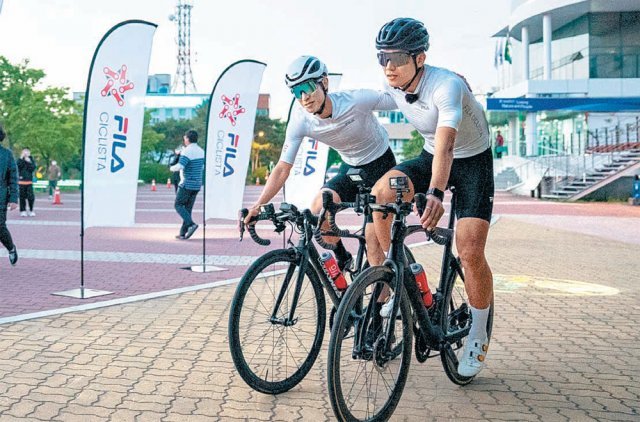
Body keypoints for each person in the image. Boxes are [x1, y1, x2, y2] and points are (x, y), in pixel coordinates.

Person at [371, 18, 494, 377]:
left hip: (471, 161)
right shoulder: (392, 85)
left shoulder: (446, 85)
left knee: (469, 250)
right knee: (381, 195)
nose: (389, 66)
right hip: (430, 154)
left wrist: (436, 193)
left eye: (397, 58)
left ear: (420, 58)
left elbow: (448, 145)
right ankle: (402, 274)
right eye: (382, 58)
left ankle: (478, 333)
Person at [243, 55, 398, 271]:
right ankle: (343, 258)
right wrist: (258, 205)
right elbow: (282, 168)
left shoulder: (356, 100)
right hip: (351, 167)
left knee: (373, 243)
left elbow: (397, 100)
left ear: (324, 82)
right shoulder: (301, 120)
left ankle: (386, 290)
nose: (304, 97)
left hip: (381, 164)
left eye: (307, 87)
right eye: (297, 91)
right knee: (319, 209)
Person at [170, 130, 204, 240]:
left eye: (185, 138)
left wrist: (171, 168)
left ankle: (191, 224)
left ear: (188, 139)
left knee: (178, 205)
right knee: (188, 209)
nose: (184, 140)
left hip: (187, 184)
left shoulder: (187, 151)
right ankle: (182, 233)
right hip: (197, 184)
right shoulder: (201, 151)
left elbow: (180, 166)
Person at [0, 125, 19, 266]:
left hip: (1, 197)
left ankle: (11, 248)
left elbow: (13, 178)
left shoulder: (7, 154)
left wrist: (13, 199)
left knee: (0, 227)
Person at [17, 147, 36, 217]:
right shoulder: (20, 159)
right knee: (22, 197)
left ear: (29, 152)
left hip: (29, 182)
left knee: (31, 197)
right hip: (21, 182)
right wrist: (21, 158)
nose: (26, 153)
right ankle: (23, 211)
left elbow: (33, 168)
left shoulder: (31, 159)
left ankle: (31, 210)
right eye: (24, 151)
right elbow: (18, 166)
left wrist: (29, 161)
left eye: (27, 151)